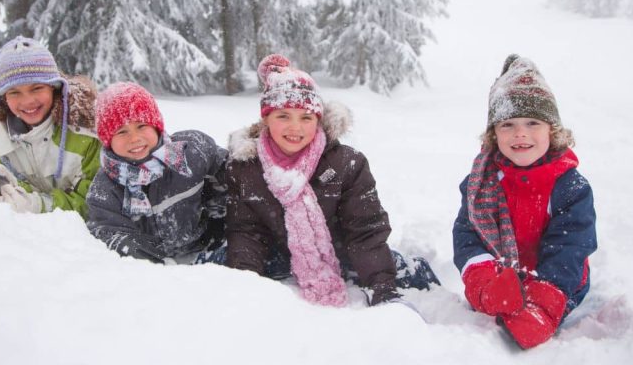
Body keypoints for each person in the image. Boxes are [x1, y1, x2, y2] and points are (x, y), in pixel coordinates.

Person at [224, 54, 439, 308]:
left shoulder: (346, 165)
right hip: (278, 256)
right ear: (266, 119)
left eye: (306, 118)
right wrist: (245, 286)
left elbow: (365, 232)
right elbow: (248, 233)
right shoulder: (246, 168)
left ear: (318, 121)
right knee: (222, 263)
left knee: (401, 270)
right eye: (283, 116)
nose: (295, 128)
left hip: (341, 253)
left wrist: (382, 288)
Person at [452, 54, 597, 349]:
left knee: (528, 325)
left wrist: (544, 300)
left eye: (533, 123)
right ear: (494, 134)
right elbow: (468, 236)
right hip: (500, 277)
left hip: (558, 281)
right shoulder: (481, 183)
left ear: (552, 130)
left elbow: (570, 248)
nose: (520, 133)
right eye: (507, 125)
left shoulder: (569, 186)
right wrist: (484, 283)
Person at [86, 82, 228, 263]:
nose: (135, 138)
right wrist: (155, 267)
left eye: (141, 126)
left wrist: (220, 225)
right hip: (156, 270)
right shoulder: (104, 190)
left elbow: (233, 177)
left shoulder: (191, 152)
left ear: (156, 126)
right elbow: (111, 233)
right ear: (108, 140)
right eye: (121, 132)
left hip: (207, 249)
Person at [0, 36, 101, 218]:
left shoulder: (85, 135)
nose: (28, 101)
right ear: (3, 97)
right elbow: (2, 193)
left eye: (37, 88)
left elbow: (97, 203)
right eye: (14, 92)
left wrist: (40, 204)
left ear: (54, 88)